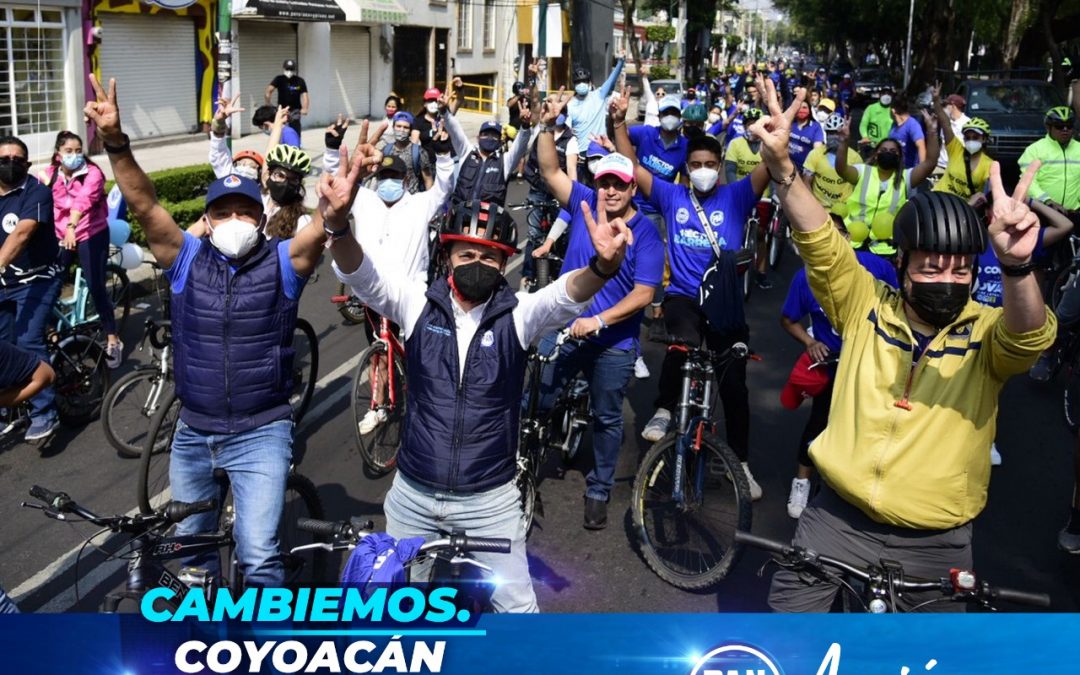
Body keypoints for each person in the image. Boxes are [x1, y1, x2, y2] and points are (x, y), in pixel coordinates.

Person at [747, 76, 1056, 612]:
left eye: (961, 270)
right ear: (902, 268)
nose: (948, 280)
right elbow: (820, 240)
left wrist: (1017, 264)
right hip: (834, 521)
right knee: (786, 642)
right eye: (931, 267)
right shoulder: (865, 302)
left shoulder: (987, 330)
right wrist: (781, 169)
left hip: (939, 544)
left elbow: (1028, 334)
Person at [329, 131, 634, 613]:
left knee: (519, 617)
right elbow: (360, 275)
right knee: (391, 612)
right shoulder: (415, 305)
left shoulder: (519, 315)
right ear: (447, 256)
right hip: (412, 494)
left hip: (489, 500)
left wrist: (600, 265)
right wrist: (338, 228)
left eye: (489, 256)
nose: (478, 263)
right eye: (466, 254)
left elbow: (565, 296)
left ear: (504, 262)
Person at [84, 74, 364, 586]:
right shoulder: (186, 258)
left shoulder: (281, 262)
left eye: (245, 211)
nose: (234, 219)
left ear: (260, 218)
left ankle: (268, 652)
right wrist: (117, 144)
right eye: (222, 211)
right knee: (193, 560)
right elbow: (145, 205)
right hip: (193, 433)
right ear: (208, 221)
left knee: (258, 555)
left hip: (262, 432)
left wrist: (336, 209)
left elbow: (316, 237)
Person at [612, 86, 770, 500]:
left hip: (725, 302)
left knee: (734, 387)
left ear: (720, 169)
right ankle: (666, 408)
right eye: (695, 163)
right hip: (683, 295)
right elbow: (630, 163)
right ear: (686, 167)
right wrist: (617, 121)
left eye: (710, 164)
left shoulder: (738, 197)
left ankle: (743, 466)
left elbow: (769, 166)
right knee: (681, 342)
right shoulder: (671, 194)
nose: (703, 170)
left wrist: (772, 134)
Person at [535, 93, 663, 529]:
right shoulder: (584, 203)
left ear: (632, 189)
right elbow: (550, 170)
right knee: (537, 396)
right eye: (604, 182)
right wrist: (547, 126)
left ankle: (599, 489)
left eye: (618, 185)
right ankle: (525, 463)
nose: (609, 190)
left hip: (613, 340)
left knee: (608, 417)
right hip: (565, 327)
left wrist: (599, 320)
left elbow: (645, 293)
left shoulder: (645, 234)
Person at [780, 215, 897, 518]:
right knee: (819, 422)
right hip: (832, 365)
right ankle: (801, 482)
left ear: (847, 239)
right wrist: (809, 342)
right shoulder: (805, 278)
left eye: (839, 235)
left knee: (870, 427)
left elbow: (901, 308)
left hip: (872, 366)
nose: (834, 244)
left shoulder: (878, 268)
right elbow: (788, 320)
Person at [346, 147, 454, 435]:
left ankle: (429, 403)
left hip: (410, 297)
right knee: (377, 354)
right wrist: (338, 150)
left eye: (393, 176)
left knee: (420, 352)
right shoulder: (365, 200)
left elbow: (444, 187)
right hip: (373, 295)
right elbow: (339, 183)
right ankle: (377, 407)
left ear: (405, 180)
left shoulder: (420, 204)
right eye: (383, 176)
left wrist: (442, 155)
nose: (388, 182)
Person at [0, 134, 63, 441]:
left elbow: (22, 234)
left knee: (26, 339)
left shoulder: (36, 192)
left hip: (38, 278)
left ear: (26, 164)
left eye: (16, 160)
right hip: (4, 283)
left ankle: (44, 412)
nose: (10, 164)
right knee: (2, 347)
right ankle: (6, 409)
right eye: (4, 159)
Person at [41, 131, 122, 368]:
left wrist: (71, 227)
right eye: (69, 151)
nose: (75, 156)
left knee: (96, 285)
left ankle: (113, 338)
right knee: (51, 282)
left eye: (78, 151)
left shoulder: (93, 173)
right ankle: (50, 332)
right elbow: (36, 200)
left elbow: (82, 202)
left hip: (90, 231)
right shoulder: (49, 175)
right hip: (61, 234)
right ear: (58, 154)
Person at [835, 115, 939, 256]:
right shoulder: (862, 171)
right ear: (876, 155)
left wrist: (932, 132)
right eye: (883, 151)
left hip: (885, 249)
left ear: (899, 157)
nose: (887, 153)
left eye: (892, 152)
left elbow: (930, 163)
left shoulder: (906, 178)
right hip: (852, 242)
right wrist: (844, 142)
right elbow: (841, 169)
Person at [521, 114, 577, 288]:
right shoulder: (541, 133)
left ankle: (563, 274)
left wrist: (572, 193)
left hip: (557, 193)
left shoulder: (570, 140)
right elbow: (528, 155)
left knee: (563, 234)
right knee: (534, 235)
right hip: (537, 189)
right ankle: (527, 276)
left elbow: (572, 169)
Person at [444, 107, 532, 207]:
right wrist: (444, 111)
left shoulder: (505, 161)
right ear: (478, 137)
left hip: (489, 219)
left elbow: (520, 146)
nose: (489, 138)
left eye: (494, 135)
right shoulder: (466, 152)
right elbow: (454, 130)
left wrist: (525, 126)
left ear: (500, 141)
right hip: (460, 215)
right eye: (485, 134)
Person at [1018, 106, 1080, 213]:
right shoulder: (1034, 150)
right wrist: (1047, 201)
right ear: (1048, 127)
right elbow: (1028, 181)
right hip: (1043, 212)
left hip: (1075, 212)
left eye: (1069, 126)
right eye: (1059, 126)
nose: (1065, 130)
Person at [802, 113, 862, 217]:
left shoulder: (855, 158)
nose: (833, 136)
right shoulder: (815, 154)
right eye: (830, 133)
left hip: (845, 210)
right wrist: (813, 206)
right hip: (821, 209)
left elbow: (859, 187)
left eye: (837, 133)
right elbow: (806, 182)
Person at [567, 53, 626, 153]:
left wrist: (620, 62)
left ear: (589, 82)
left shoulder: (599, 95)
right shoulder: (570, 105)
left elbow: (611, 79)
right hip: (582, 153)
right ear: (574, 84)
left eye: (584, 81)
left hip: (601, 148)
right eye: (578, 82)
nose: (581, 84)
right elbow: (567, 130)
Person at [380, 111, 432, 194]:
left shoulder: (419, 152)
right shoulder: (386, 150)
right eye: (398, 126)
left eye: (406, 127)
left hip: (412, 199)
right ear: (393, 127)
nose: (401, 130)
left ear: (410, 130)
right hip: (391, 198)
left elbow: (428, 179)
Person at [265, 59, 308, 137]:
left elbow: (305, 95)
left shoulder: (300, 81)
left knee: (295, 130)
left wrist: (305, 108)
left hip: (295, 110)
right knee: (281, 130)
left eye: (291, 69)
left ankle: (296, 144)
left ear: (294, 70)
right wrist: (268, 103)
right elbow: (269, 90)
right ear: (284, 68)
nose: (289, 71)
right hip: (282, 110)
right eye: (287, 69)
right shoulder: (279, 79)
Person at [887, 95, 926, 170]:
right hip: (894, 168)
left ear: (893, 111)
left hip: (908, 170)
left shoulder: (912, 125)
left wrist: (922, 171)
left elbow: (921, 146)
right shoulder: (894, 125)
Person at [935, 93, 970, 175]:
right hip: (941, 166)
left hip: (958, 168)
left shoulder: (967, 123)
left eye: (946, 105)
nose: (944, 108)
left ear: (953, 106)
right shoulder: (944, 122)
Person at [788, 100, 825, 171]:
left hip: (805, 168)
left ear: (809, 110)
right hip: (787, 165)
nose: (801, 110)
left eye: (804, 107)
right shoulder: (789, 122)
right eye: (799, 107)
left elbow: (817, 150)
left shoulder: (815, 126)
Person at [858, 87, 894, 151]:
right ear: (880, 95)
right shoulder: (871, 108)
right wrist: (865, 136)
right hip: (872, 145)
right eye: (884, 94)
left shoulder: (894, 110)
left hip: (889, 146)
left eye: (888, 94)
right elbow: (863, 125)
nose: (886, 96)